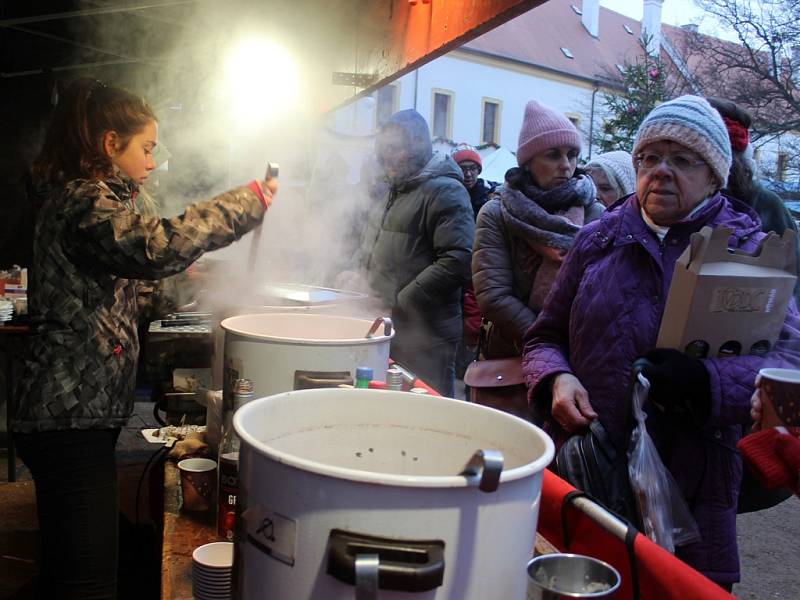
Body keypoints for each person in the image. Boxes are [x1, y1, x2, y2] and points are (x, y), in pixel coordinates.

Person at [13, 77, 277, 600]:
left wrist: (198, 284)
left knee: (75, 567)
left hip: (76, 416)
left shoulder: (91, 202)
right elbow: (155, 248)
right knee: (87, 585)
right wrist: (245, 204)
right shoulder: (81, 201)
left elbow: (134, 291)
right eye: (147, 147)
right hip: (66, 419)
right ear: (110, 144)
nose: (154, 161)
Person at [522, 95, 800, 590]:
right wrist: (556, 378)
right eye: (650, 158)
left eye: (682, 159)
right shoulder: (598, 240)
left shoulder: (748, 250)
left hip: (695, 488)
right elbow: (544, 337)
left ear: (715, 174)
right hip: (593, 470)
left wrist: (705, 383)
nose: (661, 171)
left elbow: (789, 360)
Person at [472, 100, 603, 359]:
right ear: (528, 162)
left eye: (572, 155)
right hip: (513, 355)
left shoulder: (594, 213)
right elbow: (494, 296)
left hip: (579, 356)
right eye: (553, 155)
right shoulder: (497, 213)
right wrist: (547, 345)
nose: (565, 165)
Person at [357, 109, 474, 397]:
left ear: (416, 147)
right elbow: (371, 246)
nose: (387, 158)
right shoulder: (394, 190)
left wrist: (402, 301)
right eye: (383, 150)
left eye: (395, 149)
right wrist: (356, 275)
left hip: (427, 337)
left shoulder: (445, 190)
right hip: (392, 329)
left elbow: (458, 258)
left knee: (428, 416)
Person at [450, 143, 495, 378]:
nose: (468, 174)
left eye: (472, 168)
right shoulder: (448, 195)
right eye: (463, 168)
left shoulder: (487, 200)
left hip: (477, 270)